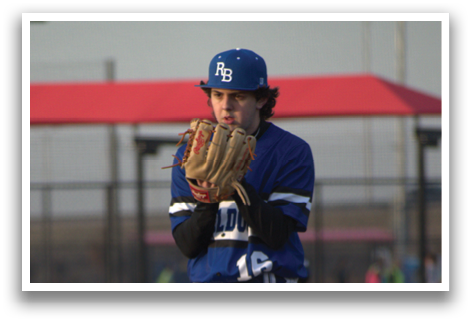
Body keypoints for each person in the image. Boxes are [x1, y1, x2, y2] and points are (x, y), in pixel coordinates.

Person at [167, 48, 315, 283]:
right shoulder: (189, 154)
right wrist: (208, 199)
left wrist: (236, 182)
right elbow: (188, 245)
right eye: (217, 94)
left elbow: (276, 235)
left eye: (238, 95)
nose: (226, 105)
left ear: (262, 98)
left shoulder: (291, 151)